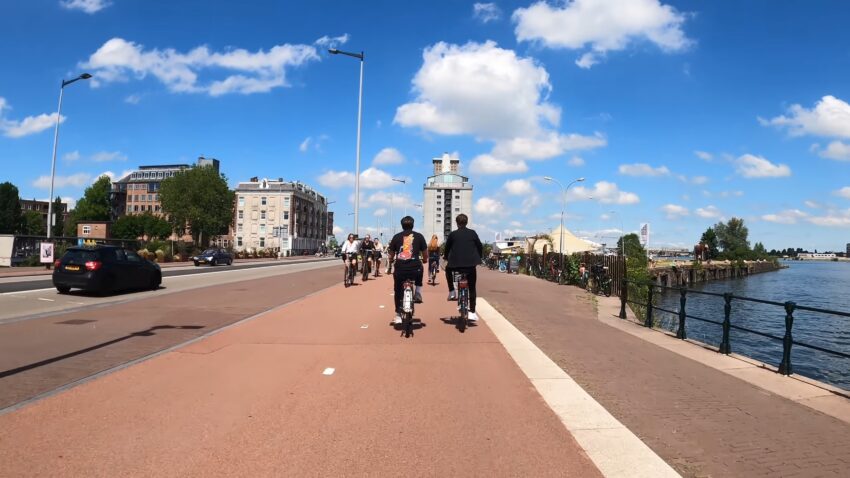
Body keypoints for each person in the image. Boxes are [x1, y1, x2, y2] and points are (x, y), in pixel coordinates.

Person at [387, 216, 427, 325]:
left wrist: (391, 260)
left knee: (397, 290)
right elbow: (425, 253)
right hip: (415, 269)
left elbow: (391, 254)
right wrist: (424, 260)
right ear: (413, 225)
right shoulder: (419, 236)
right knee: (421, 269)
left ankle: (398, 315)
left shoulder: (396, 237)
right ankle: (418, 292)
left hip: (400, 269)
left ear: (402, 225)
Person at [444, 213, 483, 322]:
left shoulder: (453, 234)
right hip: (471, 265)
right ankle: (472, 312)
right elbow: (480, 246)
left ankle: (452, 291)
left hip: (455, 264)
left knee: (447, 270)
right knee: (472, 288)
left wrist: (446, 257)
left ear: (457, 223)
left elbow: (447, 248)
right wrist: (479, 257)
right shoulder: (472, 233)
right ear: (466, 222)